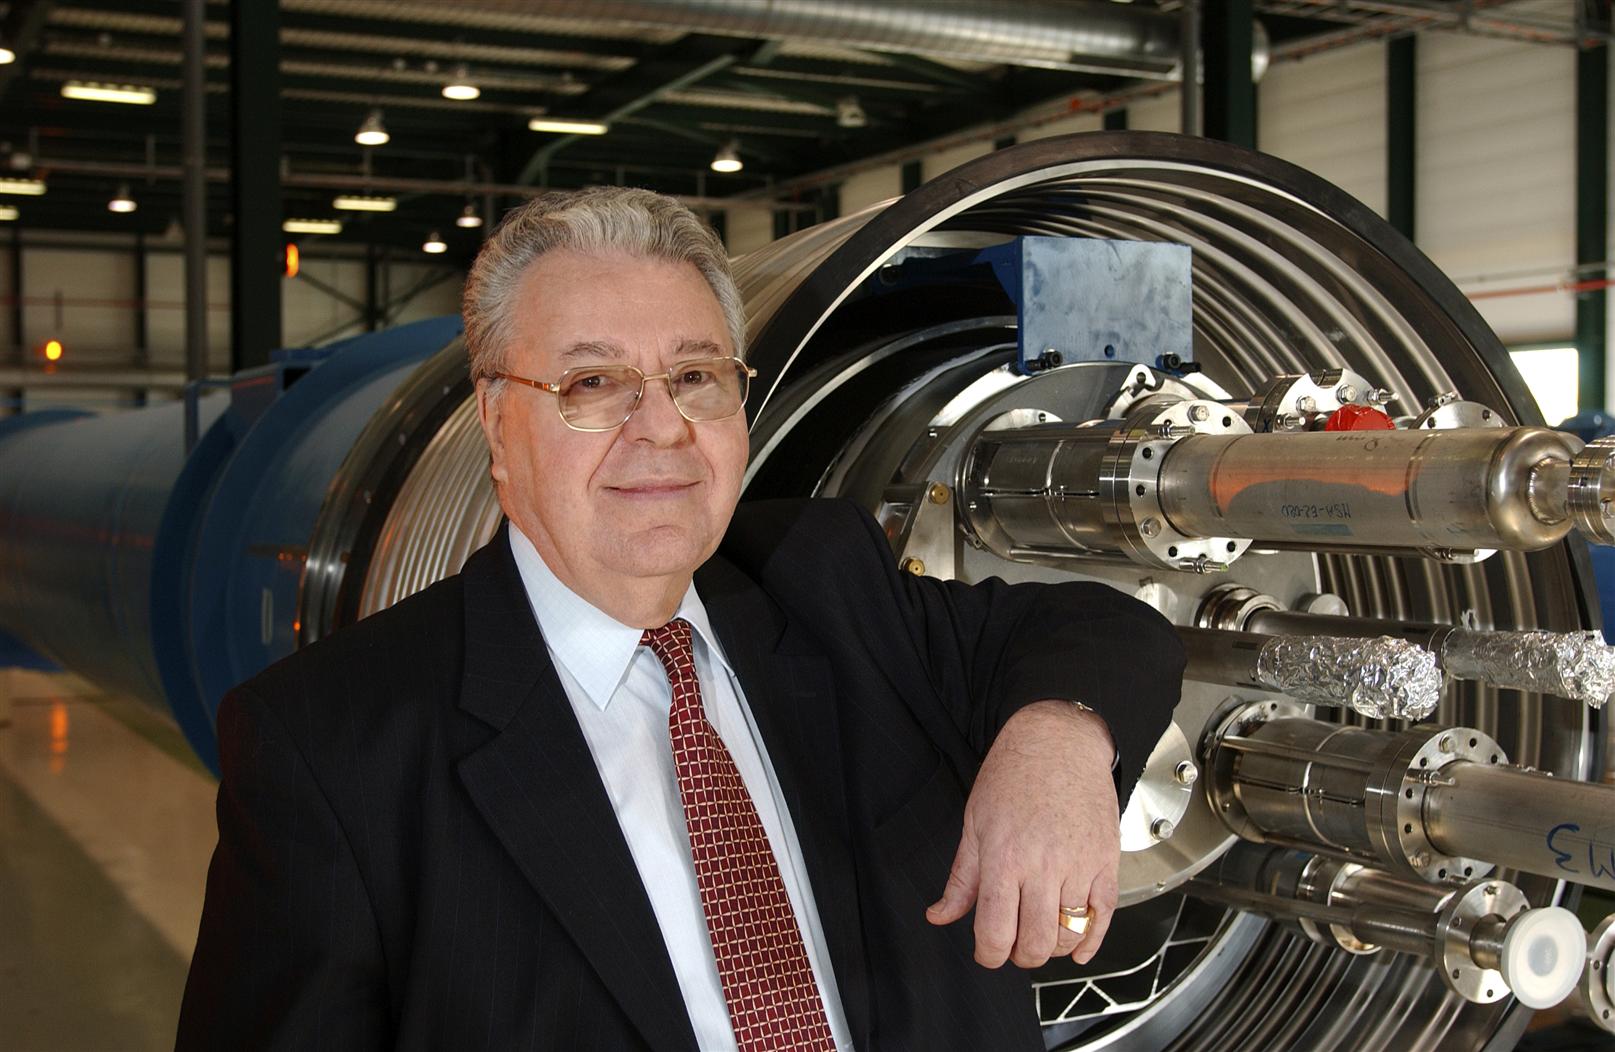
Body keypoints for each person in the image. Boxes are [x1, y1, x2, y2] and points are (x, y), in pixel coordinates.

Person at [176, 187, 1183, 1051]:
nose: (660, 426)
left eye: (696, 376)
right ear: (495, 421)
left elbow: (1100, 625)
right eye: (593, 383)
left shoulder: (826, 588)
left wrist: (1058, 737)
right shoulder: (332, 747)